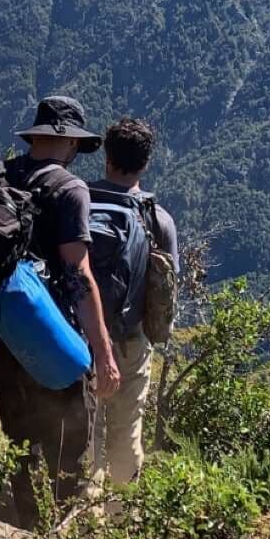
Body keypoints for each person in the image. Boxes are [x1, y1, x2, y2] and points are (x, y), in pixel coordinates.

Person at [0, 95, 121, 527]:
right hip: (52, 338)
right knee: (70, 440)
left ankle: (25, 520)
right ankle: (54, 533)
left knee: (20, 436)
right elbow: (79, 275)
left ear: (36, 136)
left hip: (1, 331)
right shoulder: (69, 190)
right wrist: (104, 352)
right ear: (72, 145)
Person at [92, 116, 179, 486]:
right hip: (130, 341)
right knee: (126, 435)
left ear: (106, 157)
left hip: (79, 336)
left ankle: (78, 513)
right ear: (146, 164)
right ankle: (118, 517)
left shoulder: (76, 201)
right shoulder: (158, 220)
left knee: (85, 427)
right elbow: (168, 290)